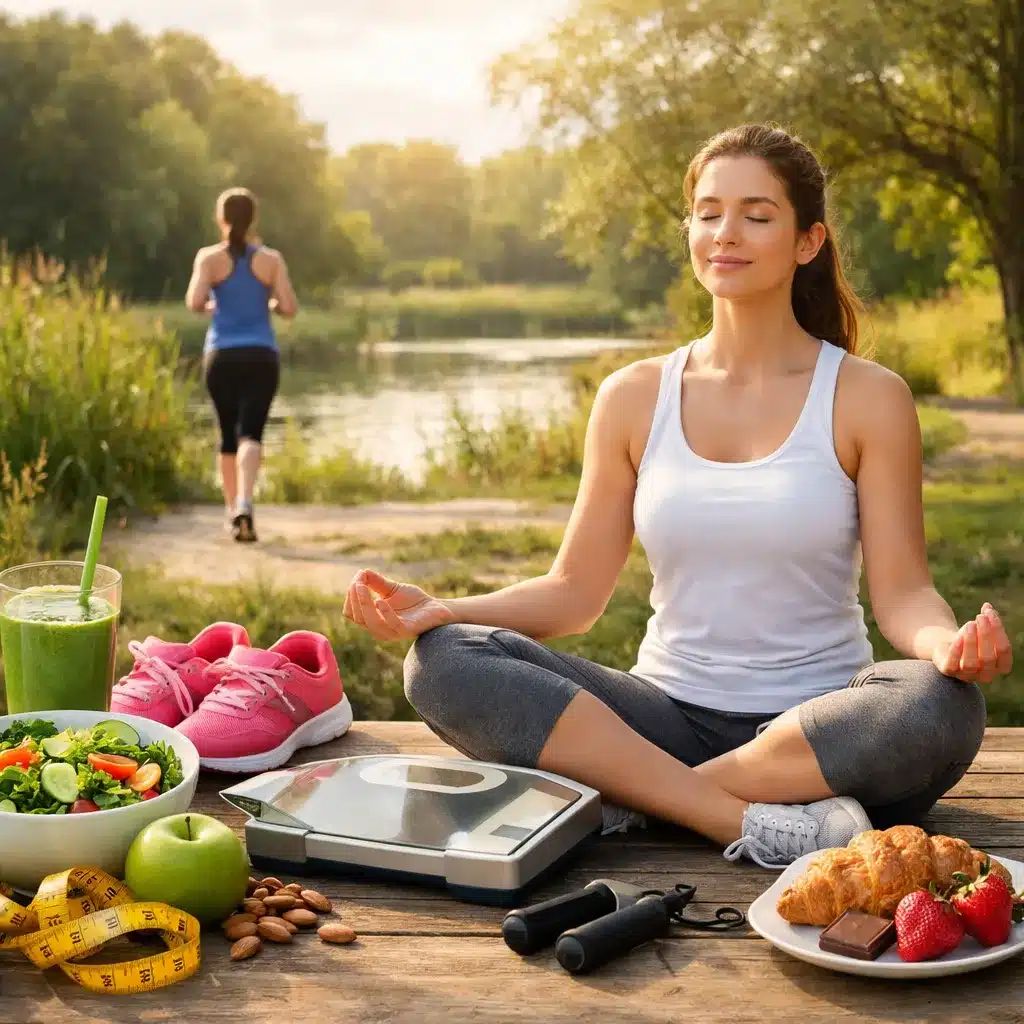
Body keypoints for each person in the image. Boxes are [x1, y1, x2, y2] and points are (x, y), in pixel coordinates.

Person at [341, 124, 1014, 870]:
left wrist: (943, 645)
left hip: (824, 735)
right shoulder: (633, 396)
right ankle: (744, 819)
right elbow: (575, 593)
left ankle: (645, 802)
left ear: (807, 241)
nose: (725, 233)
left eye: (757, 215)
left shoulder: (866, 396)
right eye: (707, 211)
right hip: (663, 717)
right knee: (441, 660)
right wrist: (447, 611)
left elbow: (904, 591)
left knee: (938, 704)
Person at [185, 187, 298, 542]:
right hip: (262, 356)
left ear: (221, 218)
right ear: (253, 220)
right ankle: (246, 504)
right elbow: (290, 307)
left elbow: (194, 301)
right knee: (252, 433)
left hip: (222, 356)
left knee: (227, 437)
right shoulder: (271, 260)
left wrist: (210, 306)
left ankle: (231, 511)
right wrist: (270, 305)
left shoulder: (208, 258)